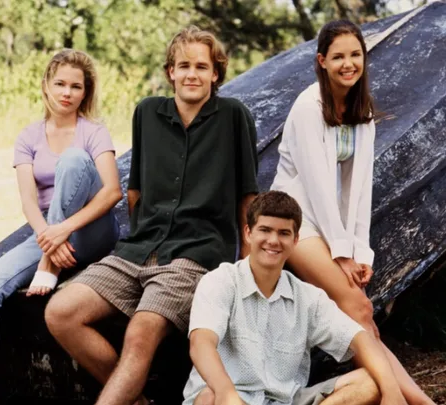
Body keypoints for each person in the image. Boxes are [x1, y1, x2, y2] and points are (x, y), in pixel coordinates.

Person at [44, 26, 259, 405]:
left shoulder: (233, 116)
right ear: (170, 72)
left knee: (141, 331)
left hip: (196, 253)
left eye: (201, 66)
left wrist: (247, 267)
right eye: (183, 65)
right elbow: (134, 192)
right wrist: (141, 237)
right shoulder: (146, 112)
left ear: (215, 73)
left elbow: (248, 195)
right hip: (138, 248)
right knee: (60, 312)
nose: (192, 74)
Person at [271, 20, 434, 405]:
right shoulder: (309, 106)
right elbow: (316, 187)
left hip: (330, 227)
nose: (349, 64)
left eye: (355, 55)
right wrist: (341, 253)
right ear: (322, 61)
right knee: (359, 307)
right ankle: (397, 399)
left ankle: (418, 401)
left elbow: (358, 189)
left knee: (362, 319)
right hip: (294, 220)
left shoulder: (361, 112)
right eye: (339, 56)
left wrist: (360, 253)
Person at [0, 49, 122, 405]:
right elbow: (29, 202)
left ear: (85, 92)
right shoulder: (28, 136)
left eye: (76, 86)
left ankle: (47, 267)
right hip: (49, 233)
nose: (67, 92)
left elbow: (112, 191)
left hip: (92, 229)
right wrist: (51, 236)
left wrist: (63, 232)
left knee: (73, 160)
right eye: (60, 83)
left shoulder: (93, 132)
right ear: (46, 85)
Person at [183, 190, 407, 405]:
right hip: (230, 398)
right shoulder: (220, 281)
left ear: (296, 239)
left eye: (283, 233)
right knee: (208, 398)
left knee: (370, 383)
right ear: (248, 233)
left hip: (287, 401)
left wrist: (392, 392)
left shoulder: (307, 298)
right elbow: (201, 344)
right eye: (265, 230)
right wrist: (226, 392)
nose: (273, 240)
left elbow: (360, 339)